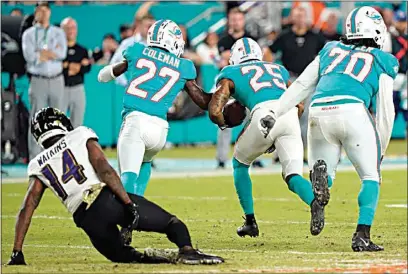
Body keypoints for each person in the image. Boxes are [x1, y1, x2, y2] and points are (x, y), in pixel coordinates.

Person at [6, 107, 224, 266]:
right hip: (106, 200)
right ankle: (187, 251)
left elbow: (27, 208)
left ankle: (160, 260)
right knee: (173, 224)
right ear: (60, 123)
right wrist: (128, 203)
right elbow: (104, 169)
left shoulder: (38, 163)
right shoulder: (80, 134)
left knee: (123, 256)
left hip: (86, 220)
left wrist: (17, 251)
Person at [261, 6, 397, 252]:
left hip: (319, 110)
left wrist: (276, 111)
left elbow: (302, 83)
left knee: (326, 170)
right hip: (353, 110)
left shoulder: (330, 49)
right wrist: (382, 148)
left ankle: (322, 180)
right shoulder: (383, 60)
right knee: (370, 176)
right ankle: (361, 235)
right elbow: (386, 112)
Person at [97, 19, 212, 244]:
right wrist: (219, 101)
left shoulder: (135, 50)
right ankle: (135, 209)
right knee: (145, 164)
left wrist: (107, 73)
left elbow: (107, 75)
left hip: (136, 122)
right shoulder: (185, 65)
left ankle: (126, 224)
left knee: (127, 177)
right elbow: (201, 100)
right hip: (160, 130)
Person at [208, 37, 330, 238]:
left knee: (240, 164)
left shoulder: (229, 72)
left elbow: (214, 110)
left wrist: (223, 122)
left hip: (263, 116)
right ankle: (314, 202)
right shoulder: (277, 69)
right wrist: (280, 131)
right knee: (292, 175)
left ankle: (250, 221)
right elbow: (299, 103)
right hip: (289, 115)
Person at [269, 6, 326, 156]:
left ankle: (305, 153)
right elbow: (269, 52)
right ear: (293, 18)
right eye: (297, 16)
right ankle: (279, 153)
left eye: (303, 16)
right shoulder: (284, 36)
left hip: (309, 80)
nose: (300, 19)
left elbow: (327, 53)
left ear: (307, 17)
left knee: (307, 117)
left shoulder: (315, 36)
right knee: (283, 114)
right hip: (289, 80)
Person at [216, 7, 263, 169]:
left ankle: (254, 157)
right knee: (224, 120)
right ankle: (222, 159)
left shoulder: (252, 38)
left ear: (243, 20)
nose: (236, 22)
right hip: (228, 86)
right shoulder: (223, 39)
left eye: (238, 19)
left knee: (254, 120)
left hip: (249, 86)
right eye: (233, 19)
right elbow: (223, 59)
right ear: (229, 20)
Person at [22, 1, 67, 160]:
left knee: (58, 119)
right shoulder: (28, 34)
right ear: (36, 12)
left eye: (45, 9)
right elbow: (29, 57)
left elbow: (62, 53)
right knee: (36, 119)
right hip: (38, 80)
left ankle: (59, 156)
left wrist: (41, 53)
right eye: (40, 9)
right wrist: (48, 54)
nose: (43, 12)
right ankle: (35, 158)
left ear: (49, 12)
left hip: (56, 79)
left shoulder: (58, 32)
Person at [61, 17, 91, 128]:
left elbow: (86, 68)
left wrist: (67, 65)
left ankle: (75, 146)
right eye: (67, 28)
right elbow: (60, 69)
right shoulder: (59, 50)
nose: (70, 31)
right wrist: (75, 66)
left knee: (77, 124)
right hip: (61, 88)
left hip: (78, 88)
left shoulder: (82, 50)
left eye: (73, 28)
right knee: (58, 124)